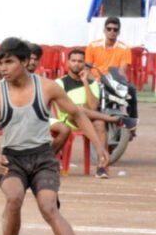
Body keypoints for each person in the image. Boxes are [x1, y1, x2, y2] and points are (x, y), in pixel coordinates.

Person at [0, 37, 108, 235]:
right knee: (14, 197)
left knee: (49, 207)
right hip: (13, 158)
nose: (3, 68)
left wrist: (99, 145)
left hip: (42, 157)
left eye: (9, 62)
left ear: (25, 62)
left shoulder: (48, 87)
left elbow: (77, 114)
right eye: (0, 63)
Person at [50, 48, 124, 178]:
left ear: (84, 64)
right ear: (68, 63)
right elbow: (63, 109)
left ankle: (101, 167)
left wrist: (85, 82)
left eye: (80, 61)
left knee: (100, 123)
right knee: (77, 109)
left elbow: (94, 106)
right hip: (68, 120)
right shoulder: (60, 82)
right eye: (73, 61)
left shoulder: (91, 83)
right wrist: (79, 108)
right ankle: (111, 119)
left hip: (89, 119)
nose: (77, 64)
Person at [85, 16, 138, 121]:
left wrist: (116, 80)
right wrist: (94, 81)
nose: (112, 31)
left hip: (113, 81)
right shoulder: (93, 46)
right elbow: (87, 68)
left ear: (119, 32)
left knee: (131, 89)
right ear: (104, 31)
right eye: (109, 29)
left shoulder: (125, 48)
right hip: (95, 80)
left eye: (115, 29)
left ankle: (133, 121)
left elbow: (122, 70)